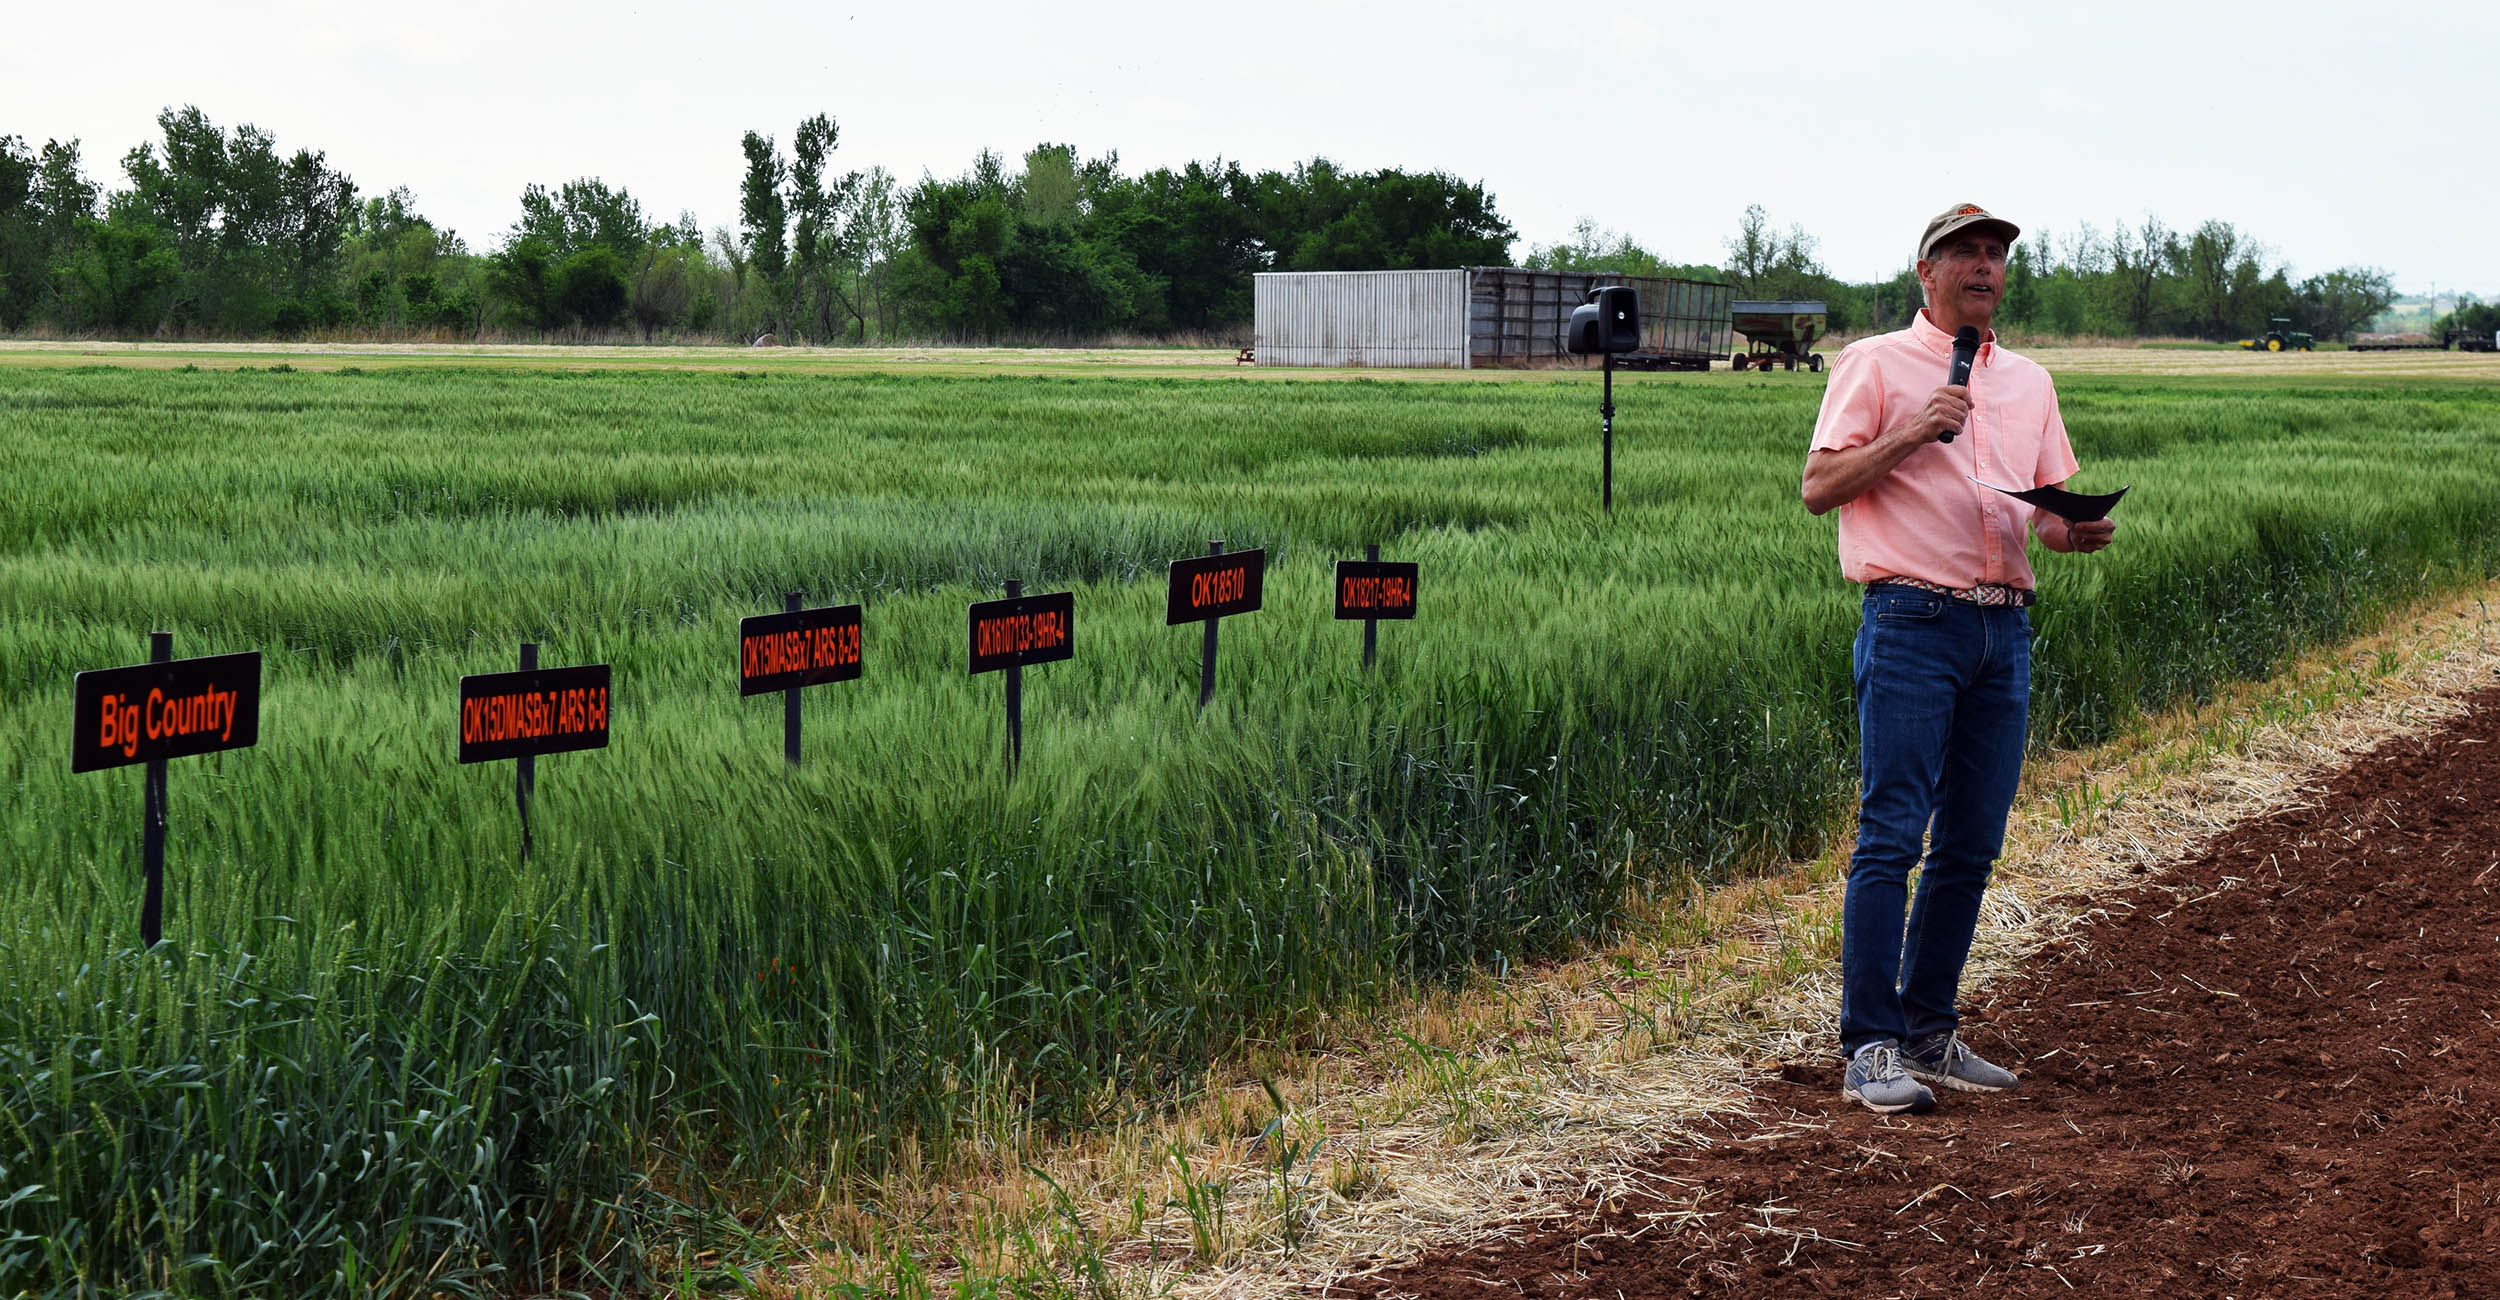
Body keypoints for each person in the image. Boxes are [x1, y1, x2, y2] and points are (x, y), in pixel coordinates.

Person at [1799, 203, 2118, 1115]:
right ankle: (1870, 1047)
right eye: (1964, 254)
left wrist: (2074, 530)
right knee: (1892, 832)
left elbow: (2046, 516)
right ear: (1925, 271)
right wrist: (1911, 431)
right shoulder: (1874, 364)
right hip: (1910, 621)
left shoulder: (2030, 382)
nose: (1984, 267)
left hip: (2002, 629)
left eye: (1995, 256)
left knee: (1971, 843)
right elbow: (1819, 488)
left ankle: (1929, 1033)